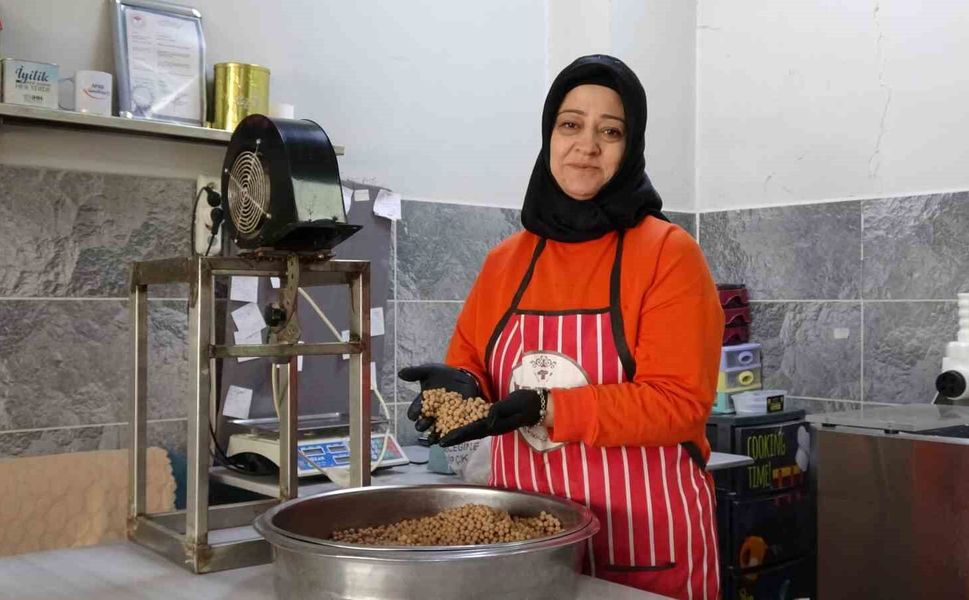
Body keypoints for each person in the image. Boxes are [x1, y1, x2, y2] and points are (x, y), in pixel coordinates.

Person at [399, 54, 723, 599]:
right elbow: (471, 360)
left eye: (610, 131)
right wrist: (457, 386)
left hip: (644, 551)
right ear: (549, 135)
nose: (587, 145)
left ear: (632, 145)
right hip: (525, 549)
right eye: (570, 124)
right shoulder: (506, 261)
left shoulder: (669, 254)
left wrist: (547, 408)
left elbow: (679, 402)